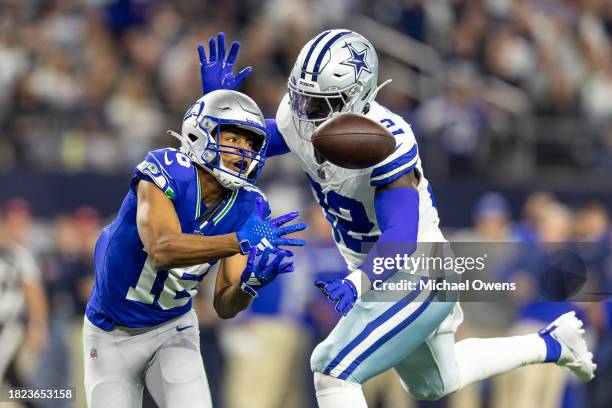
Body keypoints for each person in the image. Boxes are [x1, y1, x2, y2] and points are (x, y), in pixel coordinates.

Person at [198, 31, 596, 407]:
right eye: (300, 97)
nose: (305, 111)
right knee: (435, 382)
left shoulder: (387, 142)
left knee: (332, 370)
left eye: (318, 103)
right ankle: (552, 343)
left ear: (357, 97)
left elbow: (401, 236)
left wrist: (359, 281)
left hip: (417, 268)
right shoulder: (299, 117)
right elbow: (244, 150)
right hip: (382, 273)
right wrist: (219, 108)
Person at [82, 89, 307, 408]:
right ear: (200, 133)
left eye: (251, 144)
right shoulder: (167, 168)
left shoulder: (248, 205)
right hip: (110, 331)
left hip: (173, 327)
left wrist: (251, 283)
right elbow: (161, 249)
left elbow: (225, 306)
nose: (244, 152)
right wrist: (238, 241)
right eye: (233, 139)